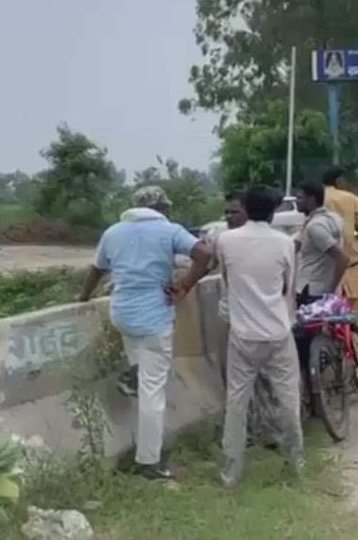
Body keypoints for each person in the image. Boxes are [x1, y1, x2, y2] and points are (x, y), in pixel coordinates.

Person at [78, 186, 213, 480]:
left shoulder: (113, 232)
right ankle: (149, 461)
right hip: (153, 316)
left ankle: (132, 375)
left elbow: (97, 269)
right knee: (154, 392)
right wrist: (184, 285)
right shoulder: (169, 230)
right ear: (162, 208)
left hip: (122, 314)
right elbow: (204, 253)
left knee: (141, 365)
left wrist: (82, 299)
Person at [215, 187, 304, 488]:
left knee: (236, 403)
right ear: (272, 211)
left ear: (244, 208)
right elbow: (287, 290)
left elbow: (226, 283)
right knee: (288, 400)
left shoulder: (225, 241)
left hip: (241, 335)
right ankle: (296, 463)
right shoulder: (285, 243)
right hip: (278, 333)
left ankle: (231, 473)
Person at [321, 168, 358, 315]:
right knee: (354, 309)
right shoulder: (348, 198)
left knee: (327, 312)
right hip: (353, 259)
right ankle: (354, 334)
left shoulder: (318, 198)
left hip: (325, 262)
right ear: (339, 181)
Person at [295, 181, 349, 302]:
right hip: (323, 290)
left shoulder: (315, 226)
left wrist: (331, 291)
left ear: (311, 199)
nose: (296, 201)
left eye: (299, 197)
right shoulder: (334, 218)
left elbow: (343, 258)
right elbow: (295, 246)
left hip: (314, 291)